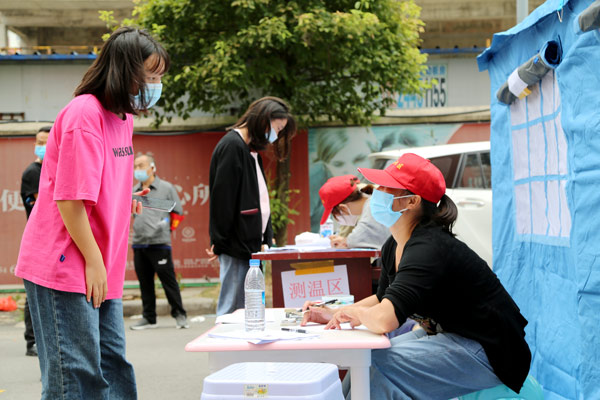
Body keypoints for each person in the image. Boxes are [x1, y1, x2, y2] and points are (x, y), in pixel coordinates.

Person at [14, 27, 169, 399]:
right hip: (68, 264)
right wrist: (94, 261)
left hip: (100, 264)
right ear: (123, 71)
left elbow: (99, 183)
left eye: (159, 77)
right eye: (149, 77)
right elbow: (69, 200)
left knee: (113, 367)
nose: (155, 85)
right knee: (76, 378)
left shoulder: (124, 118)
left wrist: (124, 198)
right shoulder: (86, 114)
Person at [302, 153, 531, 399]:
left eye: (386, 187)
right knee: (365, 358)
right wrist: (332, 311)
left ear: (411, 202)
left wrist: (353, 314)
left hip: (488, 350)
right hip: (448, 334)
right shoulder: (394, 244)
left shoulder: (428, 248)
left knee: (380, 364)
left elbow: (384, 319)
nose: (376, 191)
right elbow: (382, 300)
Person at [207, 97, 296, 316]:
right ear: (263, 120)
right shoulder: (232, 146)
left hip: (250, 245)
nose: (275, 135)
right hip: (236, 246)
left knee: (246, 308)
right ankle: (225, 348)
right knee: (232, 310)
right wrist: (220, 243)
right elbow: (223, 202)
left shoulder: (248, 150)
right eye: (276, 128)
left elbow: (259, 199)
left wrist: (267, 236)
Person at [130, 153, 188, 330]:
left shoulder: (166, 188)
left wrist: (166, 225)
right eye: (135, 166)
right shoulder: (134, 190)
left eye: (141, 165)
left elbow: (178, 212)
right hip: (139, 242)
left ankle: (179, 314)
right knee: (144, 282)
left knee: (168, 280)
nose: (137, 170)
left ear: (152, 167)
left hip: (160, 243)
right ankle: (149, 317)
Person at [19, 125, 51, 357]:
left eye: (46, 142)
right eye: (39, 142)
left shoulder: (54, 169)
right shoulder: (33, 172)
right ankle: (32, 340)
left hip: (52, 239)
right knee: (36, 291)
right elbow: (47, 204)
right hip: (40, 238)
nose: (42, 146)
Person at [318, 174, 389, 250]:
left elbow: (355, 239)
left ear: (343, 208)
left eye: (335, 214)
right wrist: (344, 240)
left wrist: (345, 242)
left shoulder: (373, 206)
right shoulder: (372, 201)